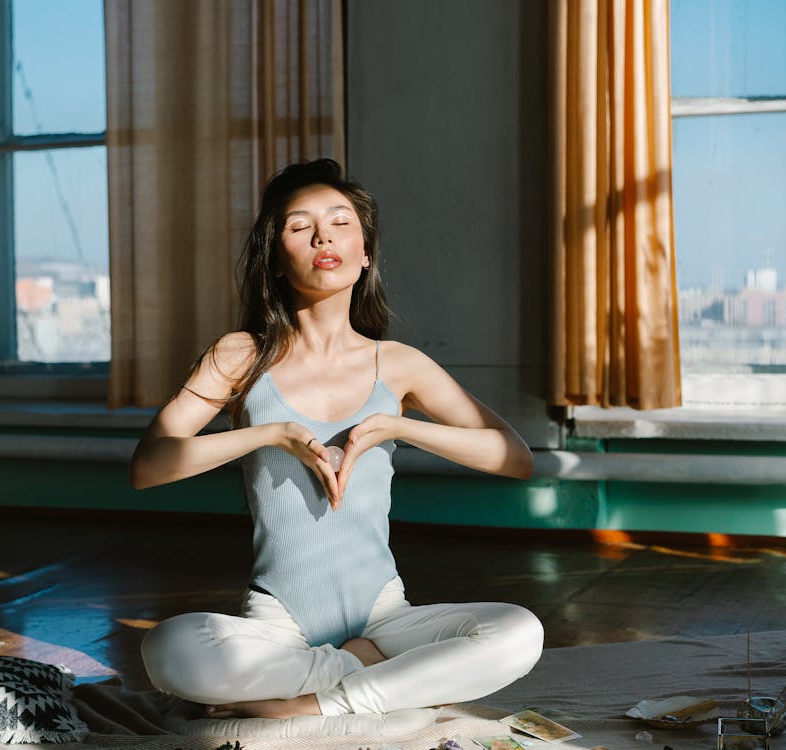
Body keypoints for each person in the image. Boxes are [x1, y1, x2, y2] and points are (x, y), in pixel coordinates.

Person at [130, 158, 543, 720]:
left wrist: (399, 427)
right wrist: (265, 435)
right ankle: (369, 678)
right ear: (276, 260)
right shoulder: (240, 356)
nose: (323, 235)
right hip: (278, 624)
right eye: (299, 227)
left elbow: (514, 457)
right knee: (168, 651)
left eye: (341, 222)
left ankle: (307, 705)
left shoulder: (399, 365)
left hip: (385, 617)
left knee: (521, 632)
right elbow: (150, 465)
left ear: (365, 253)